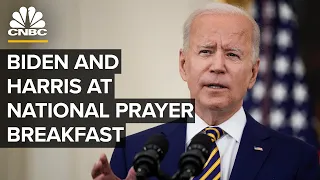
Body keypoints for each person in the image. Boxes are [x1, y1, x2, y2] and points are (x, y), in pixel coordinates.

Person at [91, 2, 320, 180]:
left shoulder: (297, 159)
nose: (218, 66)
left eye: (232, 54)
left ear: (252, 73)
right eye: (206, 51)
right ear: (183, 65)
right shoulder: (132, 151)